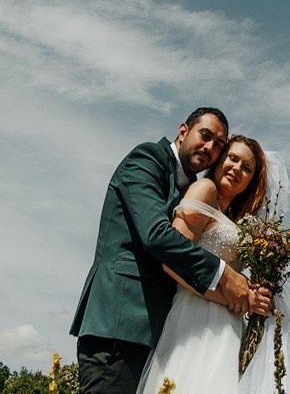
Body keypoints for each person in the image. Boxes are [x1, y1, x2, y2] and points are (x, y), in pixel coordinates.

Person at [72, 109, 274, 394]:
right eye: (205, 136)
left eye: (219, 144)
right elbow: (156, 235)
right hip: (120, 321)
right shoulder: (147, 159)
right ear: (183, 132)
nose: (210, 148)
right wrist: (226, 277)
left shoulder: (190, 188)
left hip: (160, 331)